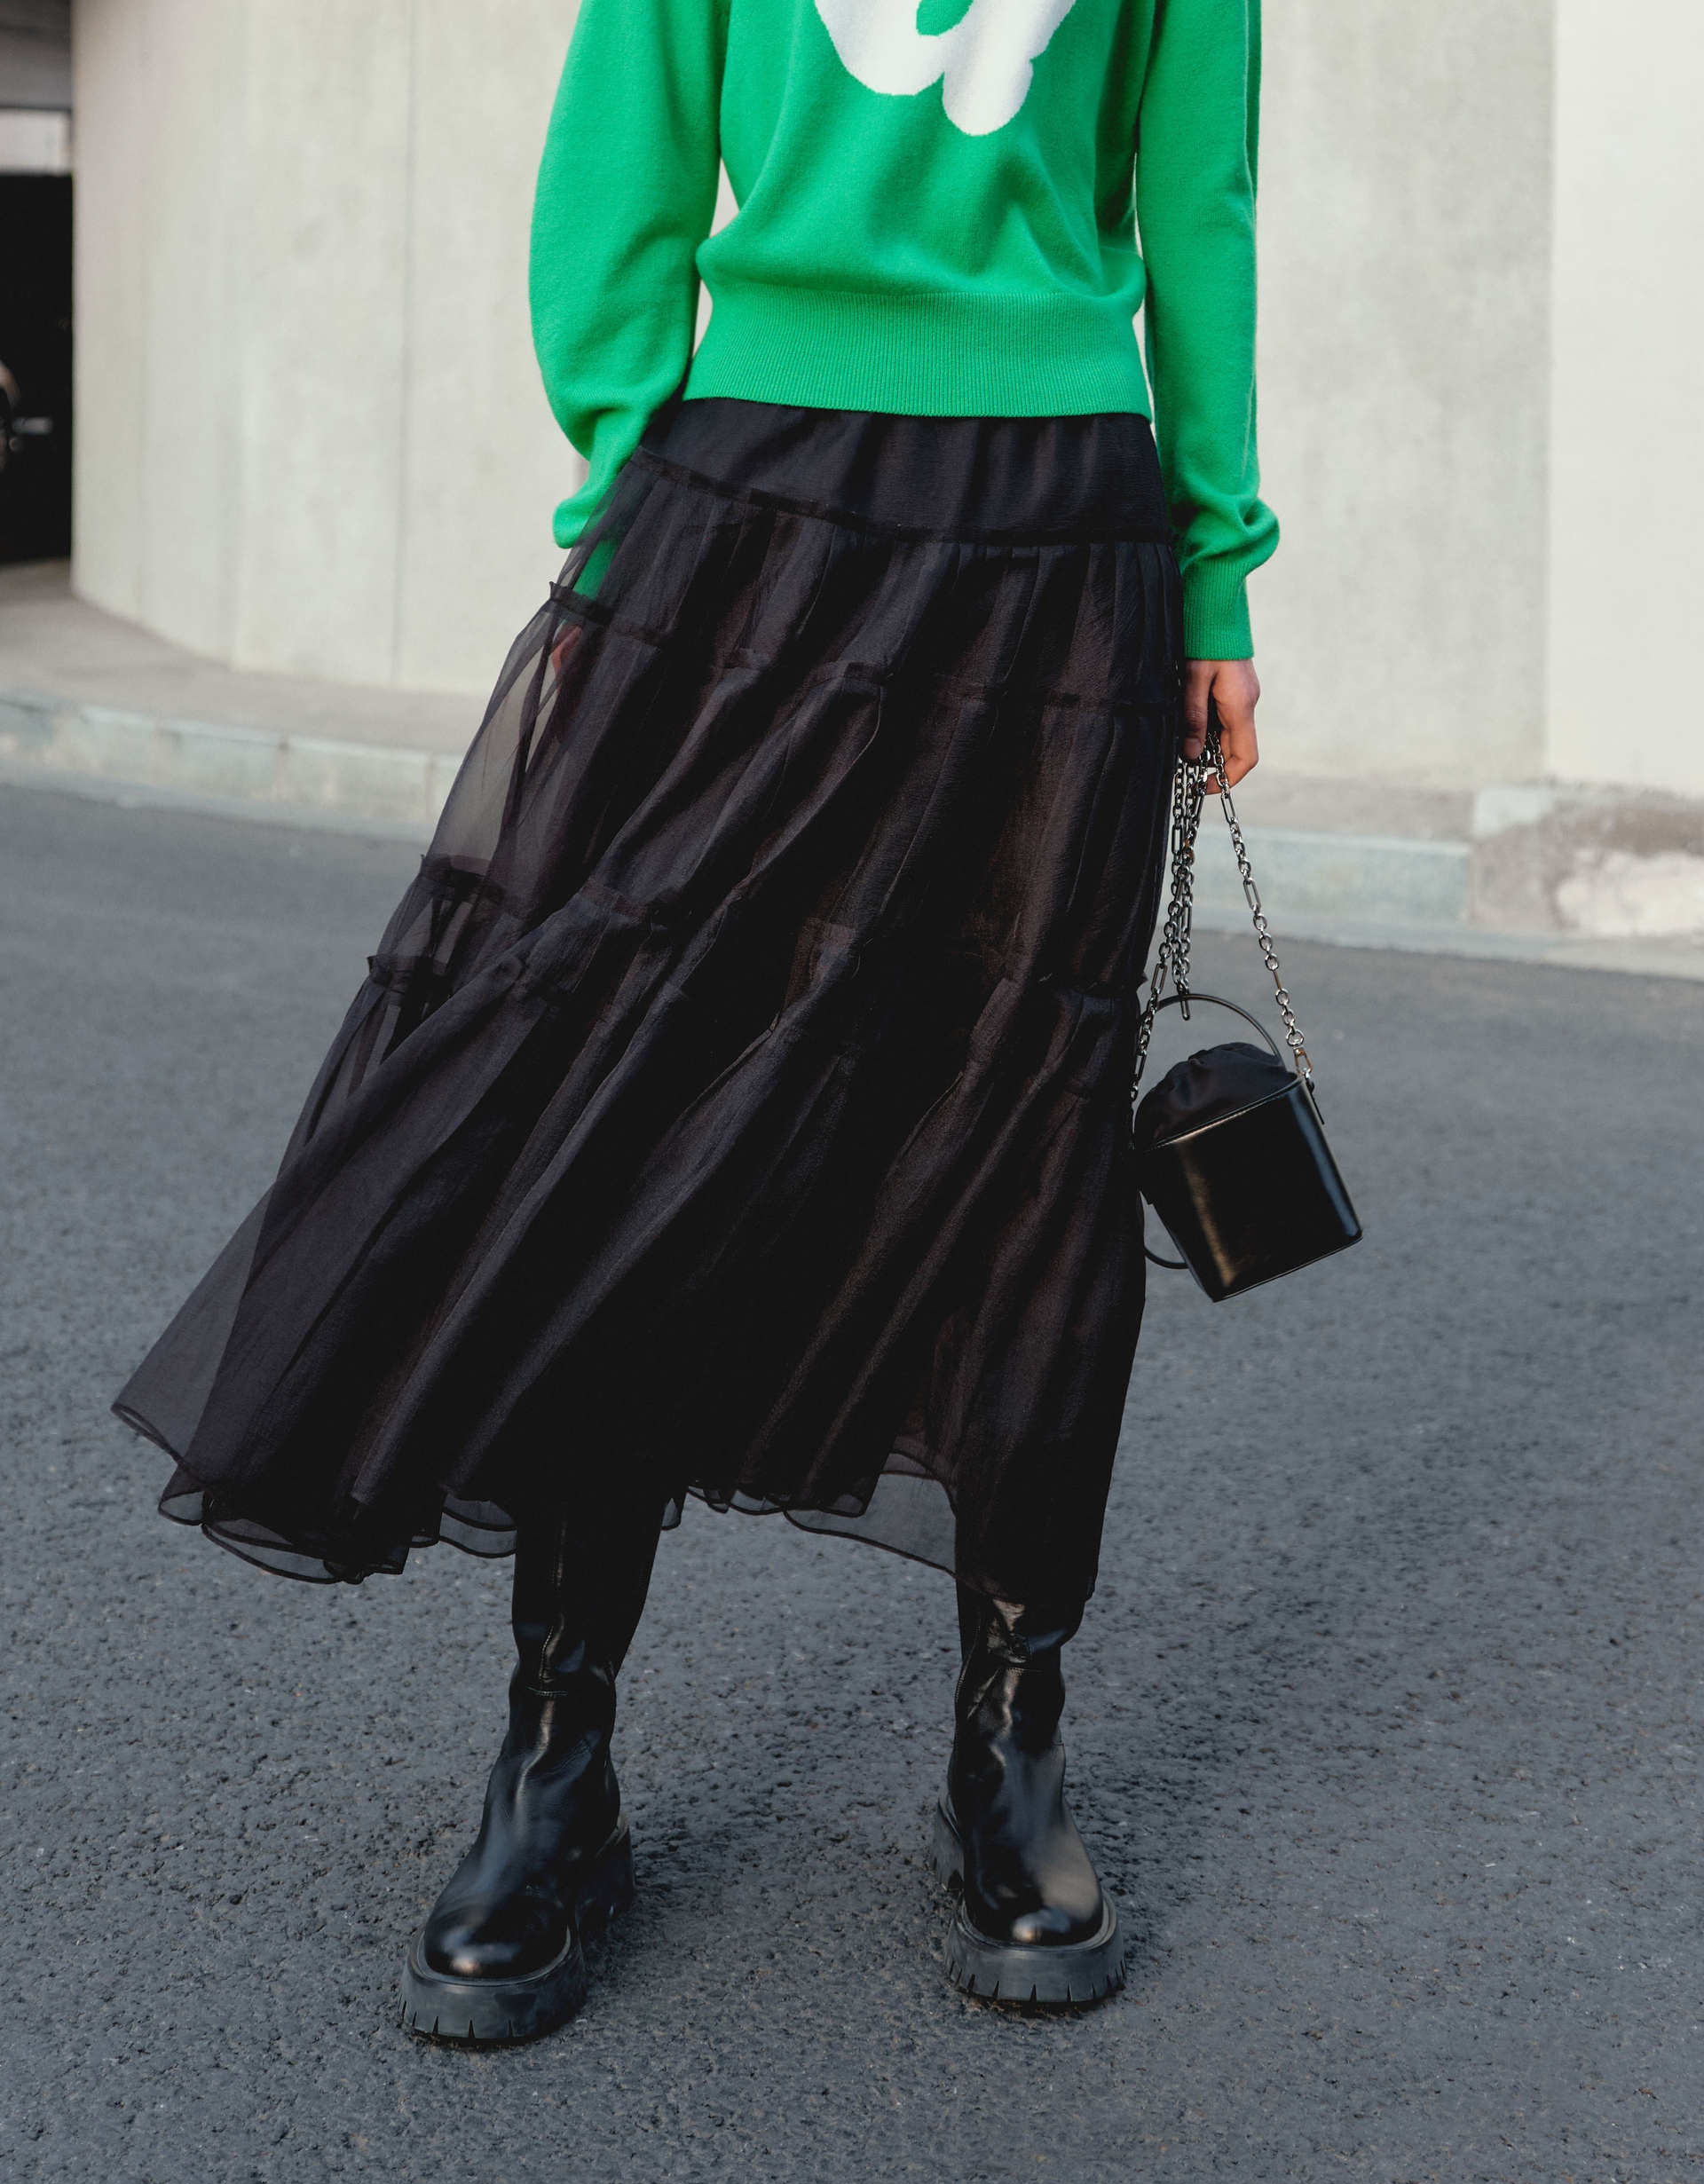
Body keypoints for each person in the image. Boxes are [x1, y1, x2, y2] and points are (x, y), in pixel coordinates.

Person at [114, 0, 1277, 2040]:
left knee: (1015, 1135)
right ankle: (559, 1752)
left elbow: (1196, 199)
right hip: (745, 513)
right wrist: (629, 478)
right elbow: (622, 163)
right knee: (623, 1109)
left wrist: (1217, 572)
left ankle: (1009, 1746)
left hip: (1056, 539)